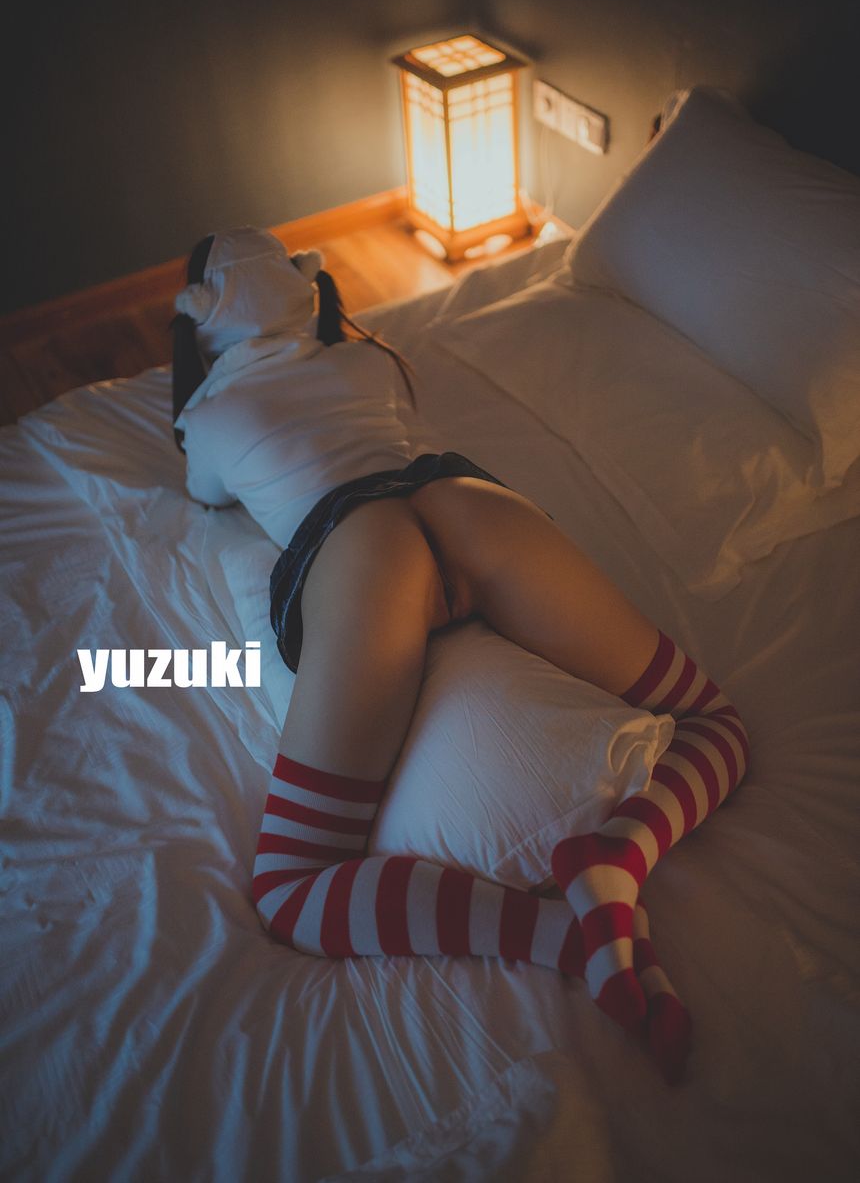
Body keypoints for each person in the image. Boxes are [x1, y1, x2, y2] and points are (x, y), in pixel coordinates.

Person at [172, 227, 749, 1084]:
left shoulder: (210, 415)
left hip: (359, 544)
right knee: (714, 722)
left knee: (291, 888)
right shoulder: (369, 361)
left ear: (200, 322)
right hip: (463, 497)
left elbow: (205, 492)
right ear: (305, 289)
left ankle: (558, 936)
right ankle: (618, 858)